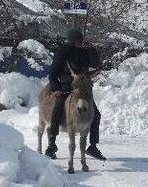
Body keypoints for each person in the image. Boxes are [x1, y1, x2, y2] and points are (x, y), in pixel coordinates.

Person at [45, 28, 106, 161]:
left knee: (96, 114)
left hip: (83, 86)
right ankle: (51, 144)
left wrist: (91, 49)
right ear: (73, 40)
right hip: (67, 86)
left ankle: (93, 146)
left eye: (82, 40)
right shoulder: (62, 52)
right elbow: (53, 74)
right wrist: (56, 88)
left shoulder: (85, 51)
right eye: (79, 40)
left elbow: (96, 63)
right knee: (58, 108)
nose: (81, 42)